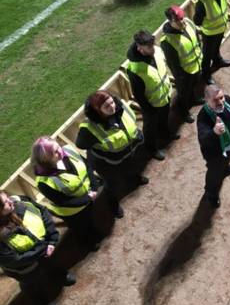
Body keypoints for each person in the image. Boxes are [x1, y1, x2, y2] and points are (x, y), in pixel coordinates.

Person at [0, 191, 76, 305]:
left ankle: (59, 275)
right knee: (31, 284)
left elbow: (42, 211)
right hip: (24, 269)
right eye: (5, 203)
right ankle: (40, 300)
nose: (11, 201)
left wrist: (52, 238)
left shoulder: (19, 201)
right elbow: (14, 260)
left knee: (51, 264)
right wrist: (42, 249)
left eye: (7, 198)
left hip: (44, 252)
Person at [76, 91, 148, 219]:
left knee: (133, 167)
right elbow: (81, 144)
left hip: (129, 153)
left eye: (112, 102)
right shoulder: (89, 129)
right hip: (107, 165)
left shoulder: (122, 107)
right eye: (107, 106)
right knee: (112, 185)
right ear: (98, 110)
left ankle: (134, 178)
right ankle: (113, 203)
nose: (113, 107)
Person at [32, 137, 103, 252]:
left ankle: (94, 233)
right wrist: (88, 198)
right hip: (73, 212)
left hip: (87, 199)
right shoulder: (43, 182)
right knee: (81, 229)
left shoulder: (68, 150)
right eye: (55, 152)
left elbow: (87, 166)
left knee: (90, 220)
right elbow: (63, 201)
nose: (60, 151)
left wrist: (94, 187)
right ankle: (88, 243)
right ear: (46, 159)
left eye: (58, 147)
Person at [127, 30, 179, 161]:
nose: (153, 48)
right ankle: (151, 150)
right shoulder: (135, 69)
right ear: (139, 48)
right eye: (149, 47)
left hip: (164, 96)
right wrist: (147, 108)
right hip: (151, 104)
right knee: (150, 129)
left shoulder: (156, 50)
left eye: (152, 44)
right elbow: (137, 93)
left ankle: (165, 134)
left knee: (164, 118)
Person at [197, 85, 230, 208]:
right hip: (215, 154)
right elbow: (203, 139)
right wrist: (214, 132)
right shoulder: (203, 116)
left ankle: (225, 168)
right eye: (215, 100)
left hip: (229, 145)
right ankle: (211, 193)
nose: (220, 102)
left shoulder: (228, 100)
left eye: (221, 97)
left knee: (227, 159)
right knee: (214, 174)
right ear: (207, 100)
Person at [162, 6, 203, 124]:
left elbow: (197, 41)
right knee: (183, 94)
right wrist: (181, 76)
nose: (183, 21)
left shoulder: (188, 25)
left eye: (183, 17)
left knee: (194, 86)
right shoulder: (167, 41)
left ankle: (194, 99)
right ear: (171, 21)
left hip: (196, 65)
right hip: (184, 74)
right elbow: (173, 63)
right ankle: (184, 111)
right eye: (180, 19)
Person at [193, 0, 230, 85]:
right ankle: (206, 74)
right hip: (210, 33)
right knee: (207, 55)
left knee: (216, 48)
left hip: (221, 28)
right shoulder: (202, 0)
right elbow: (197, 21)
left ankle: (218, 61)